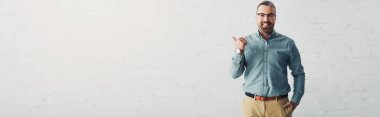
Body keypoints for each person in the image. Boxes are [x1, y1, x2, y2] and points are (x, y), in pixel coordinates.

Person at [230, 1, 305, 117]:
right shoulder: (245, 42)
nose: (266, 19)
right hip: (251, 106)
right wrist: (239, 51)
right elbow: (234, 74)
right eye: (261, 15)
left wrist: (295, 100)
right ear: (256, 17)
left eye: (270, 15)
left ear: (275, 17)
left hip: (279, 106)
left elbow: (299, 73)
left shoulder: (288, 44)